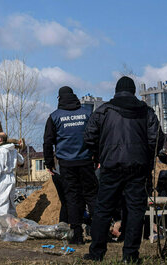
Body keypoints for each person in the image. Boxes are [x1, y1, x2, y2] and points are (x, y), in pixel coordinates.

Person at [83, 76, 160, 263]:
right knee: (135, 211)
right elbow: (155, 140)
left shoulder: (104, 111)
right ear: (133, 91)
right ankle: (130, 256)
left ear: (116, 90)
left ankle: (96, 253)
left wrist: (99, 155)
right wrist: (147, 159)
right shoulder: (147, 111)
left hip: (111, 166)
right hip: (138, 168)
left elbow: (88, 136)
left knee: (103, 209)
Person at [43, 86, 97, 244]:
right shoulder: (87, 114)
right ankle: (100, 233)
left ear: (59, 98)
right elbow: (96, 136)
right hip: (87, 162)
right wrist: (98, 158)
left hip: (66, 164)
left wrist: (49, 163)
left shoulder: (54, 117)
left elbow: (48, 142)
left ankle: (77, 236)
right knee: (92, 197)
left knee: (72, 199)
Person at [0, 132, 25, 216]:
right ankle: (12, 223)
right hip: (12, 177)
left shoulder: (0, 151)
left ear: (0, 139)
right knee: (11, 202)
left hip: (3, 179)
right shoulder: (13, 150)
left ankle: (3, 224)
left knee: (1, 202)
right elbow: (21, 161)